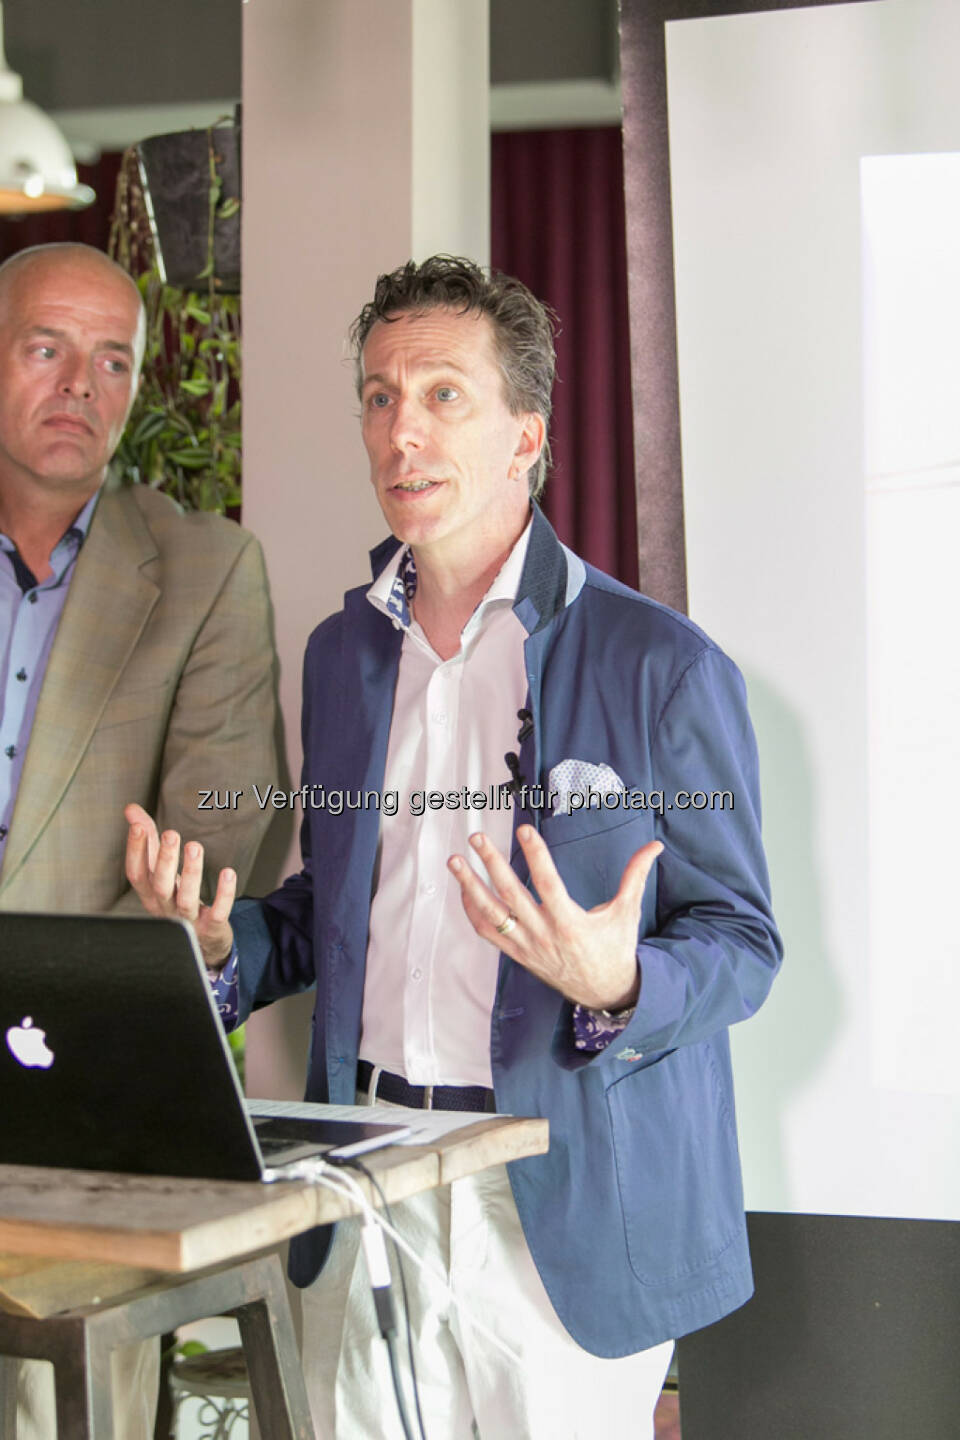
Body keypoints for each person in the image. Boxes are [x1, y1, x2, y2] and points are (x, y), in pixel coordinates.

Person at [127, 255, 782, 1439]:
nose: (402, 432)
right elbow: (335, 910)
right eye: (380, 397)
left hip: (561, 1201)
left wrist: (621, 980)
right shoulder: (341, 655)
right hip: (362, 1181)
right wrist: (220, 948)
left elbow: (741, 940)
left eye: (443, 395)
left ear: (527, 435)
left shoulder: (661, 665)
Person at [0, 242, 278, 1438]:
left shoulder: (207, 571)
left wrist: (69, 992)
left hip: (78, 1101)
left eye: (112, 360)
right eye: (46, 348)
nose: (81, 384)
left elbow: (213, 837)